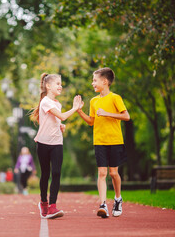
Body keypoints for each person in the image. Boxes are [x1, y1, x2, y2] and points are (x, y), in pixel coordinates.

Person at [76, 67, 130, 218]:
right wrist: (79, 111)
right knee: (102, 172)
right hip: (99, 141)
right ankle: (103, 205)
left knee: (113, 173)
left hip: (114, 140)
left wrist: (107, 113)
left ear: (105, 81)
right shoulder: (93, 101)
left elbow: (126, 116)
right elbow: (91, 122)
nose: (92, 83)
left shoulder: (115, 98)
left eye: (95, 80)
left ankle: (118, 199)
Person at [31, 73, 81, 219]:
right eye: (57, 84)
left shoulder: (57, 103)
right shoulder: (45, 102)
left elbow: (58, 120)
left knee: (57, 173)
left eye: (61, 84)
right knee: (45, 174)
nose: (60, 86)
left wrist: (61, 126)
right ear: (48, 86)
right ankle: (43, 202)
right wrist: (75, 108)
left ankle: (53, 206)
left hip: (57, 143)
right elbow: (62, 116)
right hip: (43, 143)